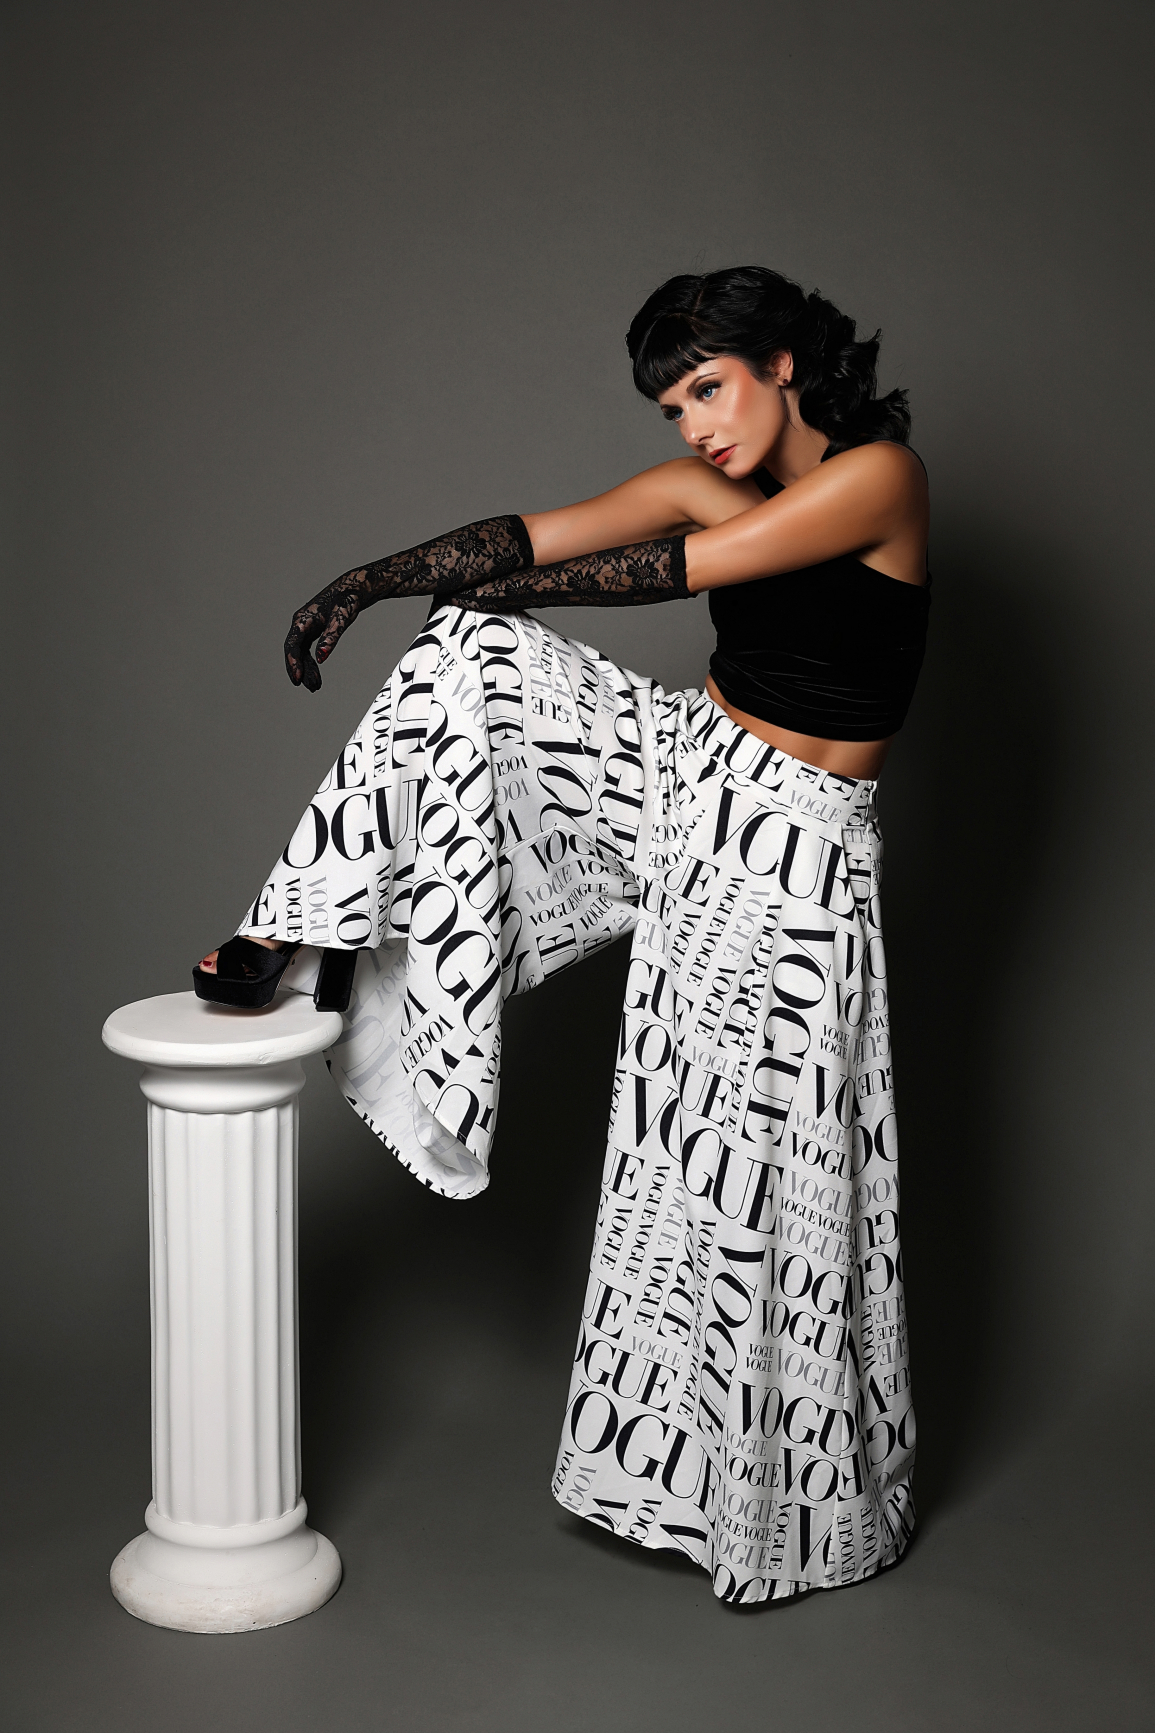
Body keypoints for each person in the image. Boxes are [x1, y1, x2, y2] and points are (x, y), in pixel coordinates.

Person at [194, 266, 927, 1604]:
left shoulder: (880, 478)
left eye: (709, 388)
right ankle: (301, 926)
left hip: (802, 844)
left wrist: (507, 595)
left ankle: (776, 1508)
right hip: (691, 782)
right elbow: (534, 534)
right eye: (672, 407)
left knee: (756, 1167)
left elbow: (680, 569)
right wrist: (373, 580)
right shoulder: (707, 481)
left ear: (781, 364)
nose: (695, 426)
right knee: (467, 647)